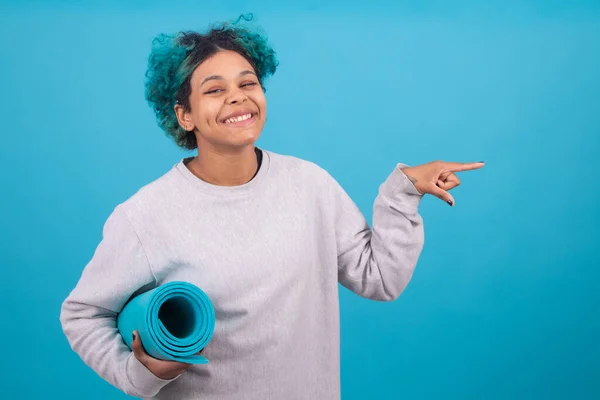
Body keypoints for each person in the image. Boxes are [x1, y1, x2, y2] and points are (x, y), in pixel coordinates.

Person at [59, 14, 484, 400]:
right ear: (184, 115)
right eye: (214, 90)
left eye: (248, 83)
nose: (237, 98)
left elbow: (380, 279)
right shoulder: (144, 215)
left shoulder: (309, 184)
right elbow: (83, 314)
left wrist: (403, 193)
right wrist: (141, 375)